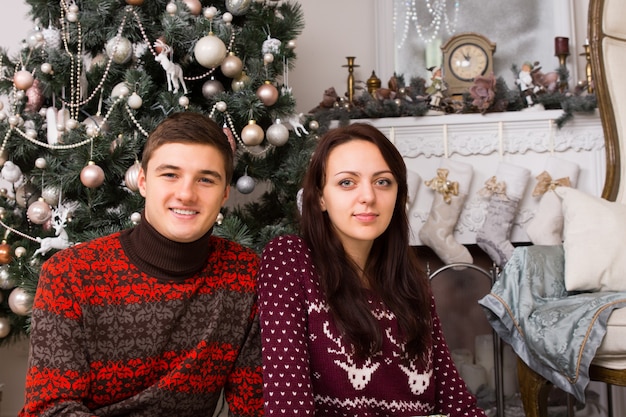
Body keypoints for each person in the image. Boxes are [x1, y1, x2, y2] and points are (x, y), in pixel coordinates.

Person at [20, 112, 263, 417]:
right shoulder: (71, 273)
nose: (186, 194)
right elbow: (51, 410)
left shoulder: (247, 275)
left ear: (225, 193)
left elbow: (255, 407)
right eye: (170, 175)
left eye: (205, 179)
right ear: (144, 182)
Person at [258, 123, 487, 416]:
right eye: (347, 182)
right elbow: (288, 407)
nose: (368, 196)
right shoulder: (289, 259)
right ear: (320, 197)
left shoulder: (411, 286)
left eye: (382, 182)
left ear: (398, 196)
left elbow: (457, 403)